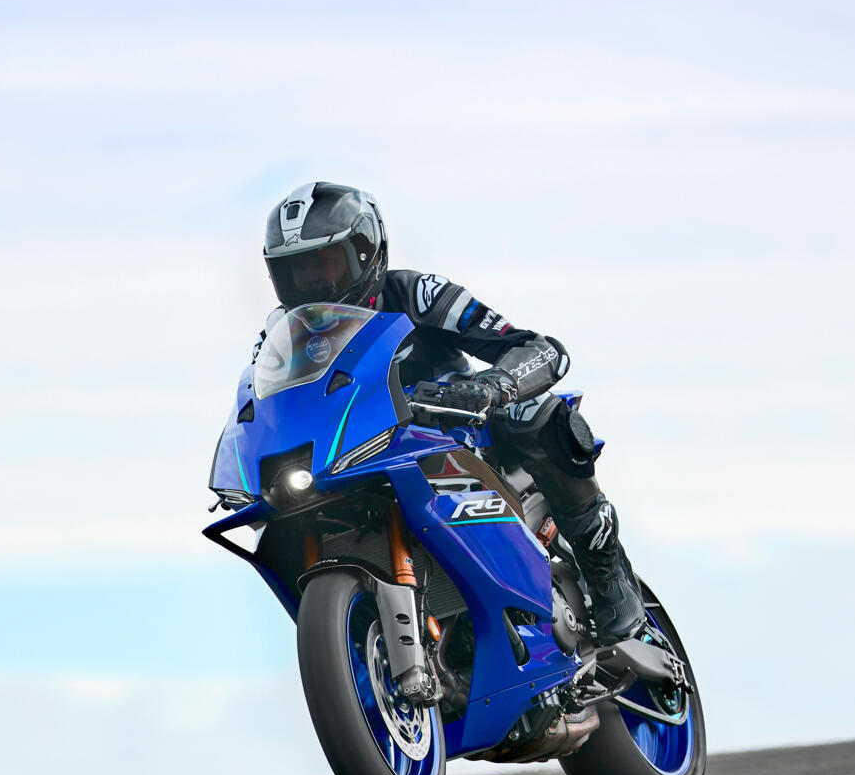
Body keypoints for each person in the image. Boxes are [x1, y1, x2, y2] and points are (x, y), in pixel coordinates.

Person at [258, 180, 646, 645]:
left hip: (461, 438)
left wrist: (491, 386)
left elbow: (541, 349)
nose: (313, 283)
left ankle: (605, 571)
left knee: (538, 414)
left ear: (365, 252)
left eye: (325, 264)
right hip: (361, 459)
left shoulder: (416, 293)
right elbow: (265, 408)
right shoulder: (281, 337)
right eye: (296, 272)